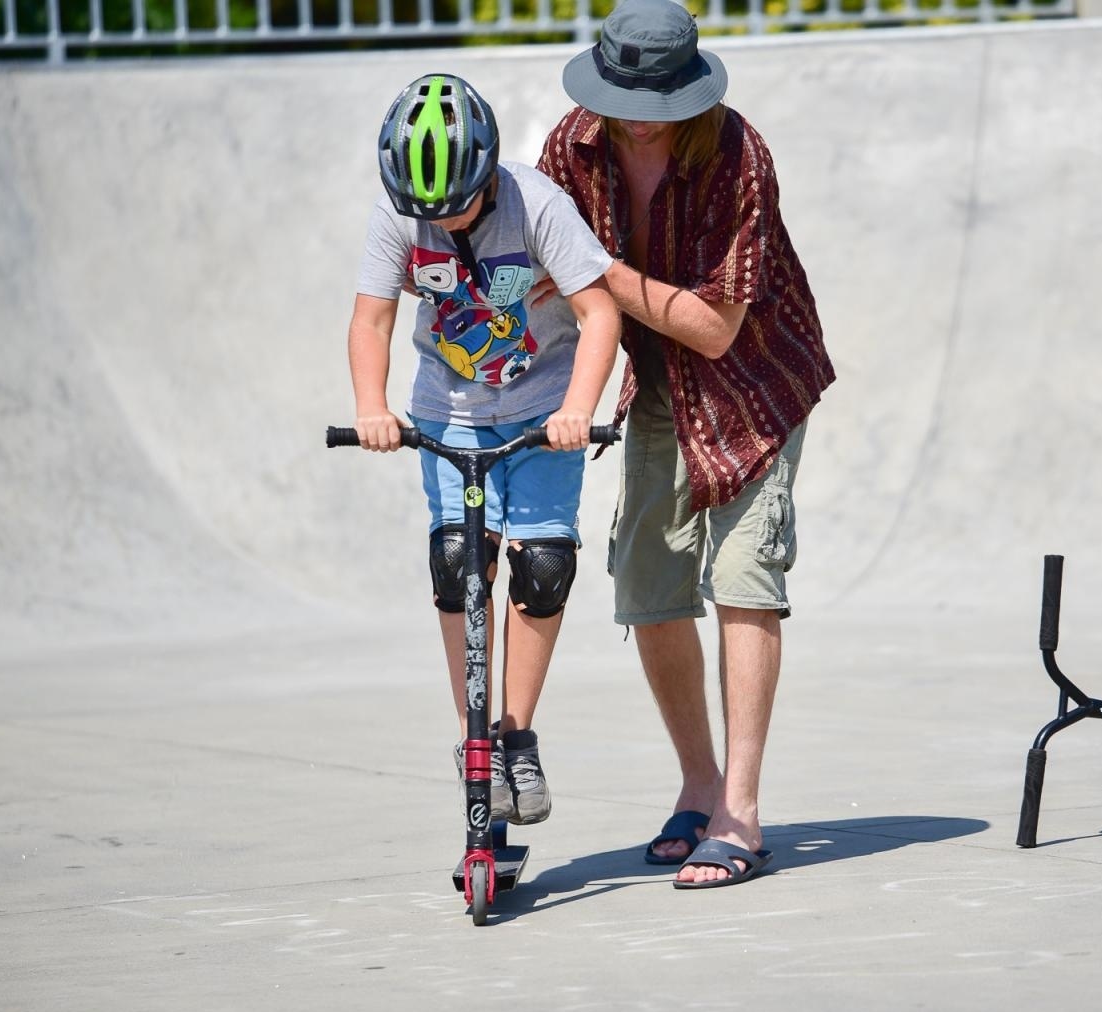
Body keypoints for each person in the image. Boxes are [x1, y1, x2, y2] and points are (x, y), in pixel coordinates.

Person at [535, 0, 835, 888]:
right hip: (655, 382)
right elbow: (548, 286)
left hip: (754, 379)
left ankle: (740, 812)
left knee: (746, 576)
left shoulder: (739, 154)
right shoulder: (572, 145)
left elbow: (712, 328)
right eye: (625, 94)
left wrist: (595, 268)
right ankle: (698, 785)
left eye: (656, 99)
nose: (636, 116)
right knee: (648, 580)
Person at [349, 73, 621, 825]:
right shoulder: (397, 215)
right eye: (423, 211)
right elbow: (372, 320)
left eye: (459, 206)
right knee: (460, 560)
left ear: (489, 171)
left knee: (541, 566)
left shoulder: (539, 205)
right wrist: (371, 407)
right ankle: (476, 741)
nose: (440, 221)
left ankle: (517, 735)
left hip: (541, 410)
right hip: (450, 412)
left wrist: (576, 410)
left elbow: (599, 315)